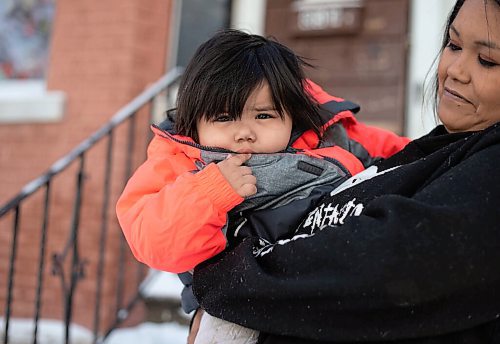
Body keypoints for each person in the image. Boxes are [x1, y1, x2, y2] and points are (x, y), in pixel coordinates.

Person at [192, 0, 500, 343]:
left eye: (487, 60)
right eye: (453, 45)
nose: (456, 69)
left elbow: (388, 264)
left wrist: (221, 284)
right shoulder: (434, 149)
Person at [116, 29, 409, 343]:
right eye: (224, 117)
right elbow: (151, 238)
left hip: (332, 283)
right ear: (194, 121)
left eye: (264, 115)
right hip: (238, 300)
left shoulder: (328, 133)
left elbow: (406, 155)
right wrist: (209, 192)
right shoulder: (183, 161)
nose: (245, 132)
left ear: (292, 115)